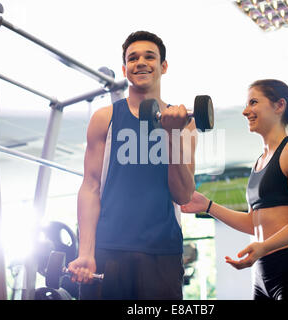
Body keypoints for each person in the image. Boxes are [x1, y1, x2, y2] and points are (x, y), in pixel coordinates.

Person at [68, 31, 197, 300]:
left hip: (162, 251)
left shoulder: (185, 121)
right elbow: (90, 187)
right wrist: (85, 252)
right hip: (108, 249)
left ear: (163, 66)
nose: (141, 62)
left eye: (150, 57)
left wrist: (172, 133)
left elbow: (183, 194)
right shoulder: (105, 118)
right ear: (125, 69)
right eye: (133, 58)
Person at [181, 79, 288, 300]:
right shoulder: (260, 161)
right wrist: (208, 206)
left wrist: (264, 246)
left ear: (279, 106)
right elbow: (254, 222)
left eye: (253, 102)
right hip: (263, 272)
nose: (245, 111)